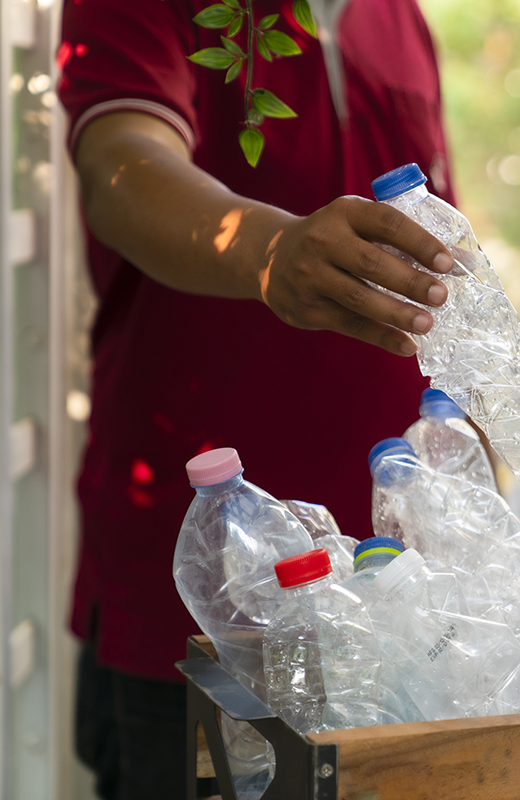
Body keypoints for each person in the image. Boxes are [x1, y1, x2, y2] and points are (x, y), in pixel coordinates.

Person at [57, 1, 459, 796]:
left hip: (387, 620)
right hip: (205, 615)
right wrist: (269, 251)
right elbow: (121, 166)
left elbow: (438, 265)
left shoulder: (398, 15)